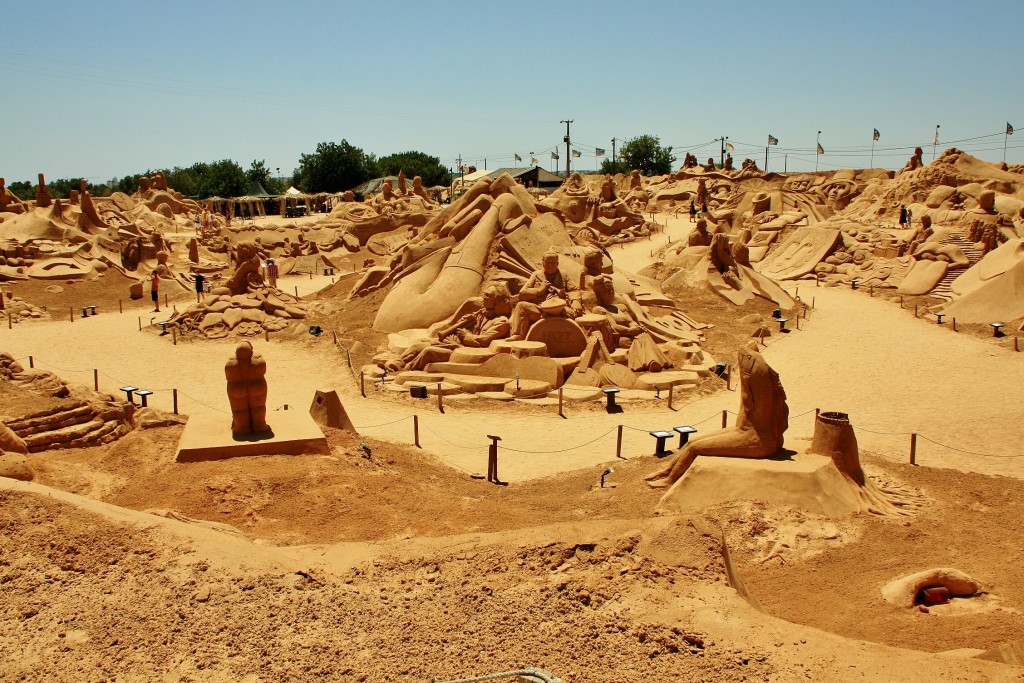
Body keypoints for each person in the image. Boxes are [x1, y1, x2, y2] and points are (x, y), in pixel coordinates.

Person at [225, 341, 269, 435]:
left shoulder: (230, 362)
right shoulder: (259, 360)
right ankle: (259, 425)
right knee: (259, 407)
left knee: (239, 410)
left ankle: (241, 427)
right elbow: (263, 370)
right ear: (251, 350)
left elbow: (228, 377)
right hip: (257, 385)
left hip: (237, 386)